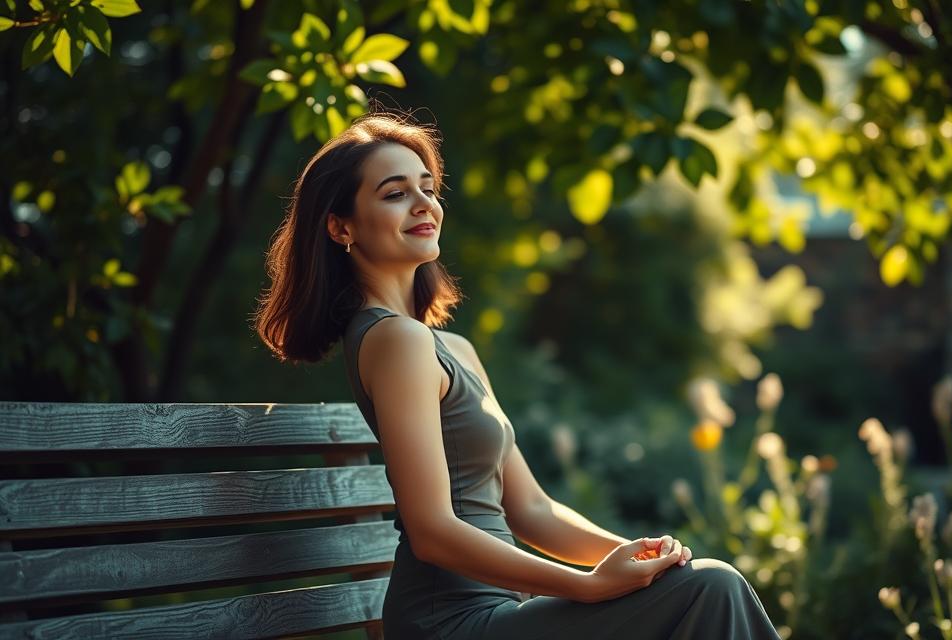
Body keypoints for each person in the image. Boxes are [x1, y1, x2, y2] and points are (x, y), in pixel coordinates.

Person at [254, 108, 782, 640]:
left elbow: (531, 509)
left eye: (428, 188)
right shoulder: (395, 340)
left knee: (701, 583)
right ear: (341, 226)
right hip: (452, 622)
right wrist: (587, 586)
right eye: (395, 194)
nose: (424, 205)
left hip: (504, 614)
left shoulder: (448, 346)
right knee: (712, 587)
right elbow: (432, 532)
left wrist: (628, 554)